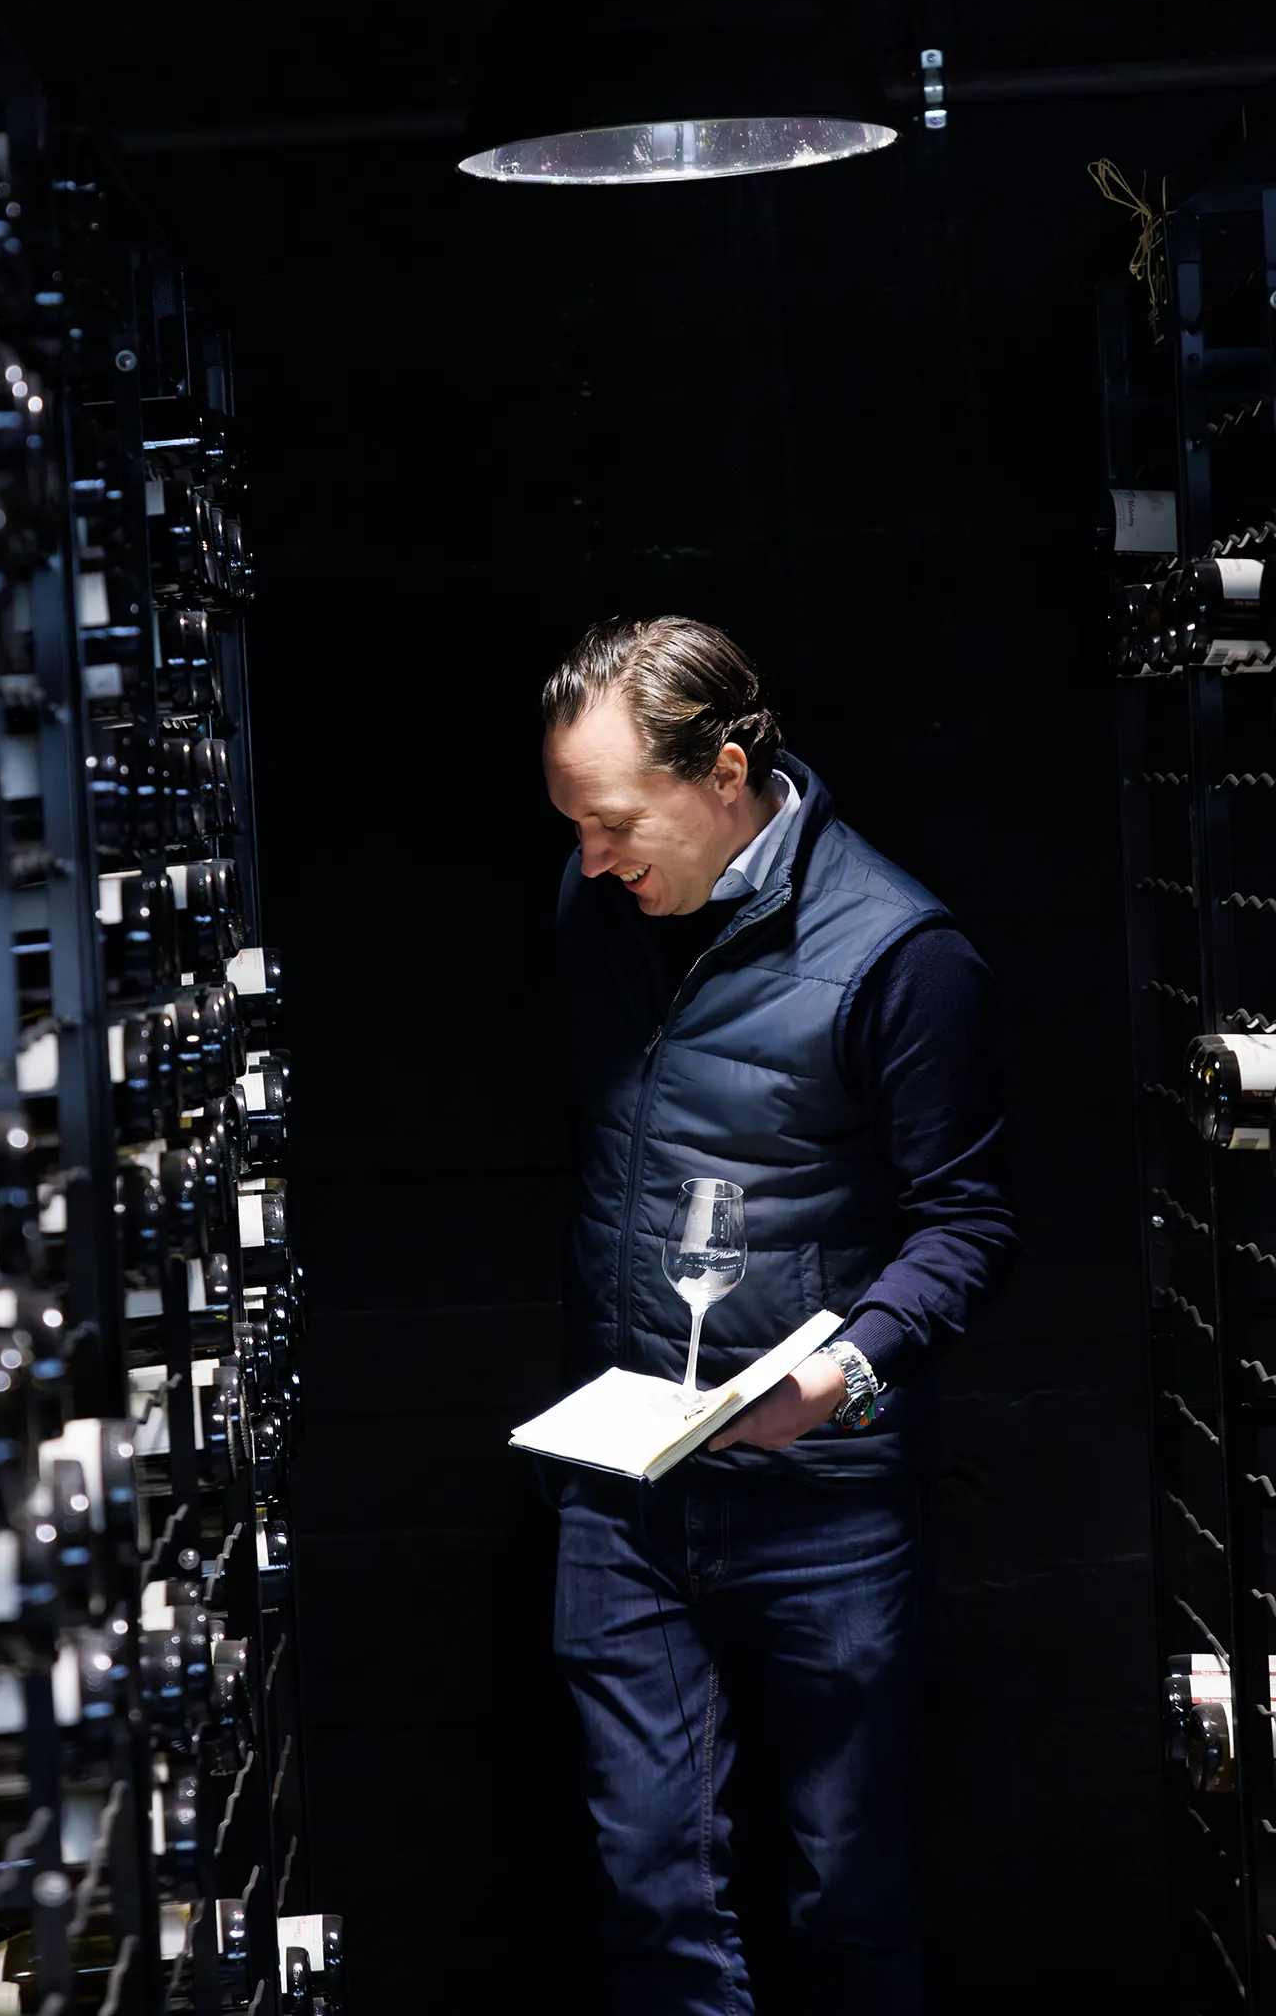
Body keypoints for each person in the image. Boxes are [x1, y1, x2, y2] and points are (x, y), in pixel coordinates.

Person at [540, 614, 1018, 2016]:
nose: (588, 860)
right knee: (648, 1890)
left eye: (613, 822)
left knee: (842, 1886)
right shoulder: (600, 905)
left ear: (729, 770)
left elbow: (972, 1225)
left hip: (823, 1497)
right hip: (622, 1482)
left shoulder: (900, 952)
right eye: (570, 825)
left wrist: (844, 1384)